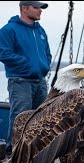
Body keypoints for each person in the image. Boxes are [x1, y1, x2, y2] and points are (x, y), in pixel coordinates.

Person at [0, 1, 51, 154]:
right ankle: (14, 152)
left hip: (40, 82)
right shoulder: (9, 30)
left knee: (41, 117)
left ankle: (35, 152)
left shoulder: (40, 31)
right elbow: (3, 53)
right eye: (36, 7)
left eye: (40, 8)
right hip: (20, 81)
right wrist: (27, 64)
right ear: (24, 8)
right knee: (20, 117)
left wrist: (45, 65)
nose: (40, 11)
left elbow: (47, 53)